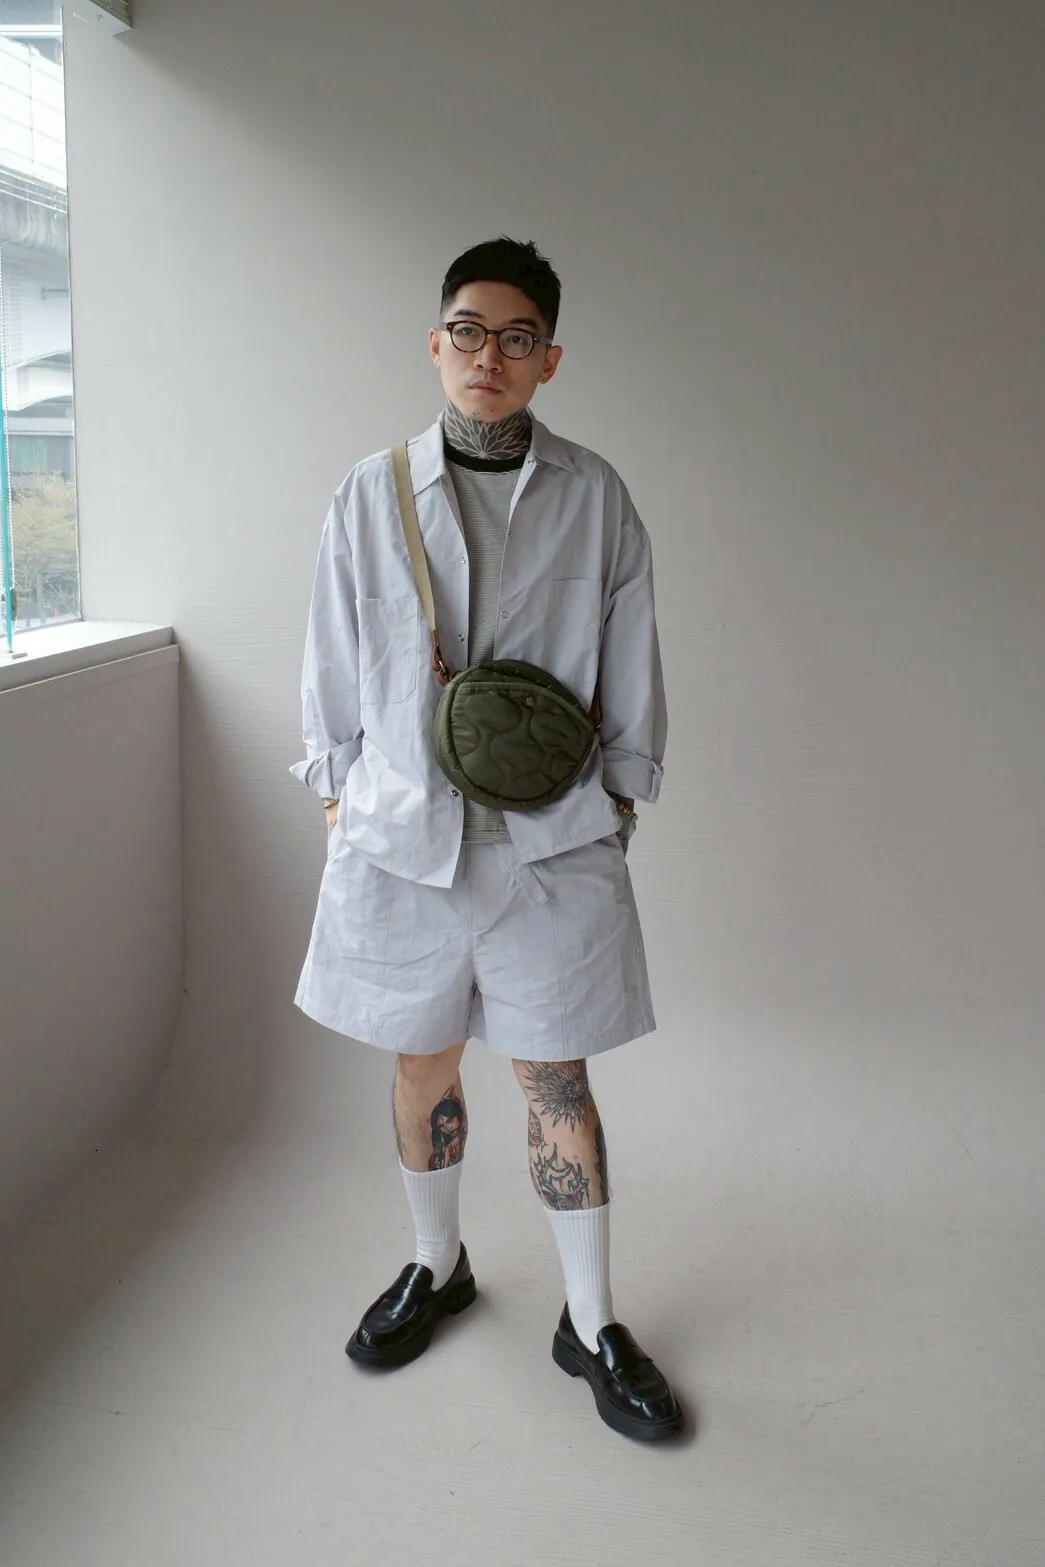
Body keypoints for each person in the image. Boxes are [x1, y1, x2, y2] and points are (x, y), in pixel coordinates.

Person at [291, 236, 683, 1442]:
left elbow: (632, 653)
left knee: (556, 1077)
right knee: (422, 1066)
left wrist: (619, 800)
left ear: (548, 359)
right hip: (403, 840)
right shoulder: (368, 493)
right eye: (468, 330)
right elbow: (330, 657)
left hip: (549, 846)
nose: (487, 356)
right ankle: (437, 1263)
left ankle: (591, 1320)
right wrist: (339, 797)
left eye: (517, 338)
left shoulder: (595, 495)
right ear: (435, 342)